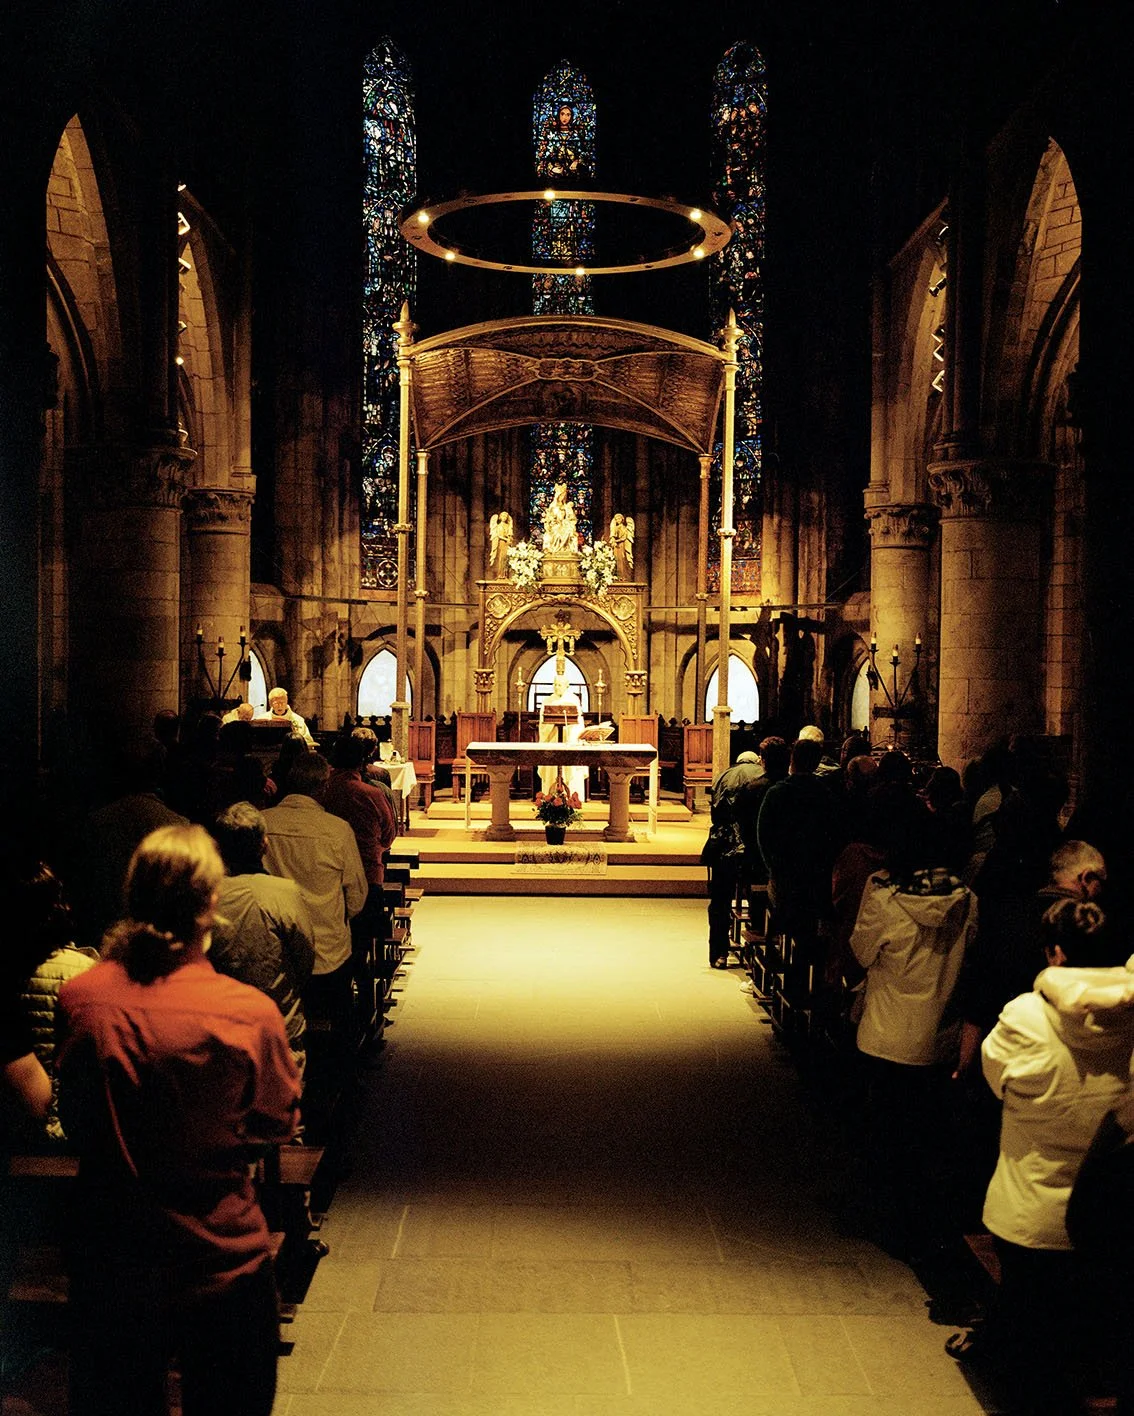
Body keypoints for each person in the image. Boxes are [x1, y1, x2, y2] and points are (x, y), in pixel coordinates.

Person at [56, 824, 300, 1416]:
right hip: (221, 1257)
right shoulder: (246, 1012)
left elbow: (77, 1113)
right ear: (210, 905)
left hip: (115, 1254)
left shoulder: (83, 998)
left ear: (132, 895)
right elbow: (277, 1122)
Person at [950, 899, 1134, 1414]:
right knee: (1085, 1337)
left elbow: (995, 1077)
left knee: (1030, 1354)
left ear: (1054, 954)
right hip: (1106, 1212)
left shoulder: (1027, 1015)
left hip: (1028, 1207)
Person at [850, 852, 978, 1259]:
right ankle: (918, 1224)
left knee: (884, 1129)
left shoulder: (885, 897)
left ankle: (885, 1218)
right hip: (938, 1032)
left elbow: (861, 951)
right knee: (924, 1134)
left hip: (886, 1032)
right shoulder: (967, 900)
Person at [261, 752, 367, 1055]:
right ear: (323, 787)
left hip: (276, 953)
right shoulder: (336, 829)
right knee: (336, 1025)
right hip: (326, 952)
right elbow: (357, 896)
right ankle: (337, 1080)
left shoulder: (262, 823)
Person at [210, 801, 316, 1078]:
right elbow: (305, 956)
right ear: (264, 845)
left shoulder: (207, 896)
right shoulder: (283, 892)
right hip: (278, 1026)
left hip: (223, 1027)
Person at [701, 750, 765, 968]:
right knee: (757, 899)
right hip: (752, 850)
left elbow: (715, 812)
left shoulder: (723, 775)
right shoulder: (762, 775)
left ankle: (718, 954)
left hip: (724, 847)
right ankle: (755, 956)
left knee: (720, 902)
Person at [538, 673, 586, 800]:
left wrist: (574, 734)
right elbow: (543, 724)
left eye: (559, 684)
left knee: (571, 769)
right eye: (555, 684)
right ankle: (551, 799)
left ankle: (572, 800)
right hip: (552, 740)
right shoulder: (547, 701)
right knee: (552, 769)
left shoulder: (573, 699)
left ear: (567, 686)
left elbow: (579, 722)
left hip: (569, 740)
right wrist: (552, 722)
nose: (556, 687)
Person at [541, 482, 578, 554]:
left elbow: (572, 518)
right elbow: (549, 518)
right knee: (556, 533)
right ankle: (555, 550)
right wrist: (552, 520)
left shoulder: (567, 507)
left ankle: (565, 550)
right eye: (561, 495)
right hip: (555, 526)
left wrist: (566, 521)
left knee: (569, 531)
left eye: (564, 496)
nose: (562, 497)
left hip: (564, 525)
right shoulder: (553, 506)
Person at [488, 511, 514, 578]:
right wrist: (506, 539)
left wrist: (510, 539)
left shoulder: (508, 526)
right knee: (501, 558)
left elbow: (510, 534)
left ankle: (506, 574)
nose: (504, 518)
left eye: (505, 516)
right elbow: (498, 535)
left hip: (507, 544)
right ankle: (500, 574)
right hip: (501, 543)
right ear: (500, 517)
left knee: (506, 559)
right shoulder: (498, 526)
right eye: (503, 516)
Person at [609, 513, 634, 579]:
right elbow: (613, 535)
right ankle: (618, 576)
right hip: (616, 547)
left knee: (622, 560)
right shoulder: (616, 528)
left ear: (622, 519)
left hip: (621, 546)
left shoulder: (624, 528)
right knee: (617, 561)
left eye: (619, 519)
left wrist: (616, 541)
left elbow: (624, 538)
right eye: (616, 519)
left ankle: (623, 576)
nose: (618, 520)